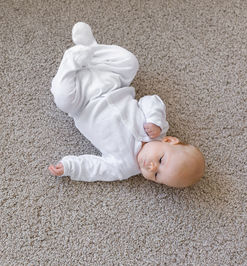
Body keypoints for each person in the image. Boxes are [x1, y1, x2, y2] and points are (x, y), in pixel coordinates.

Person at [48, 22, 205, 188]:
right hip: (112, 84)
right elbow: (150, 100)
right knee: (130, 62)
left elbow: (96, 168)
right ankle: (91, 49)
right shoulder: (158, 128)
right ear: (169, 140)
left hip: (81, 103)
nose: (151, 167)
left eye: (157, 175)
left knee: (62, 99)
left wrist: (70, 167)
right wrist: (154, 119)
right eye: (160, 160)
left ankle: (73, 59)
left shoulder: (124, 167)